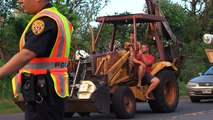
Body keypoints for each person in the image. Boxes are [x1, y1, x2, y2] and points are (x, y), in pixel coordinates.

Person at [0, 0, 73, 120]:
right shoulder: (60, 19)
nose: (20, 1)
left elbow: (27, 54)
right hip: (53, 93)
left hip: (43, 94)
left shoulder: (45, 21)